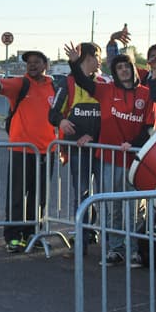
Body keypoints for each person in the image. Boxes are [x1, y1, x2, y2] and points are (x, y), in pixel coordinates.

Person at [65, 42, 156, 267]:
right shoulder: (106, 90)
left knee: (134, 209)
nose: (123, 70)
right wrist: (74, 63)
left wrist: (132, 143)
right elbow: (82, 81)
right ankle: (115, 249)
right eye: (119, 67)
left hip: (134, 160)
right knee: (112, 207)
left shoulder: (146, 94)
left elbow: (150, 127)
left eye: (127, 67)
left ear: (132, 70)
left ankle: (134, 250)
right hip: (109, 159)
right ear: (115, 71)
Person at [0, 50, 57, 253]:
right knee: (17, 196)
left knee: (39, 198)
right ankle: (13, 237)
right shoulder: (20, 84)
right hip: (21, 150)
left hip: (47, 151)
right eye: (29, 63)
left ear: (45, 65)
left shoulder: (55, 87)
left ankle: (33, 234)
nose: (32, 65)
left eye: (36, 62)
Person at [49, 42, 104, 250]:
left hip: (101, 148)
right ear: (87, 58)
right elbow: (52, 113)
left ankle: (98, 235)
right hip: (76, 150)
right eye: (97, 56)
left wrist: (92, 135)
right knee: (81, 193)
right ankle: (82, 237)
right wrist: (60, 122)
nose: (100, 60)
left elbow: (107, 117)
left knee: (103, 193)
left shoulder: (103, 82)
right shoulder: (67, 83)